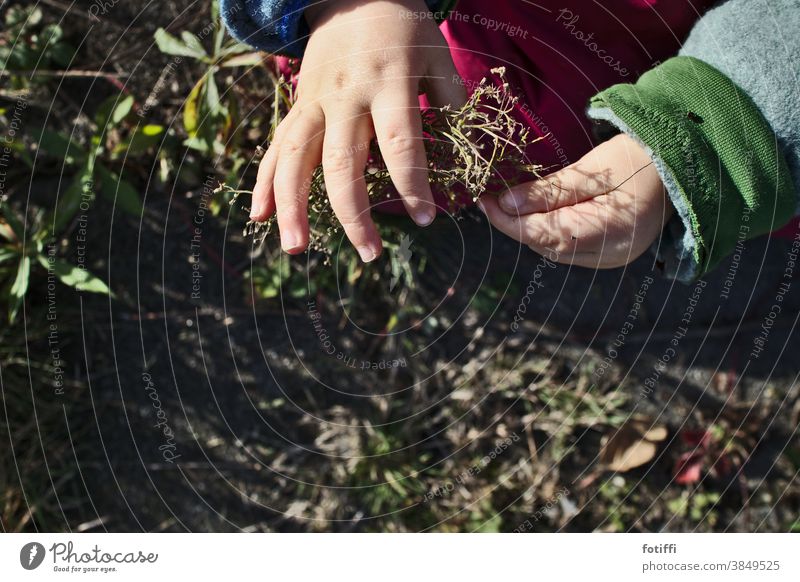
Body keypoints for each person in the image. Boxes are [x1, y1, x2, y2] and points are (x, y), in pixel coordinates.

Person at [221, 0, 799, 282]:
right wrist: (347, 7)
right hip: (439, 39)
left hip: (732, 71)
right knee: (390, 132)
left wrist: (688, 143)